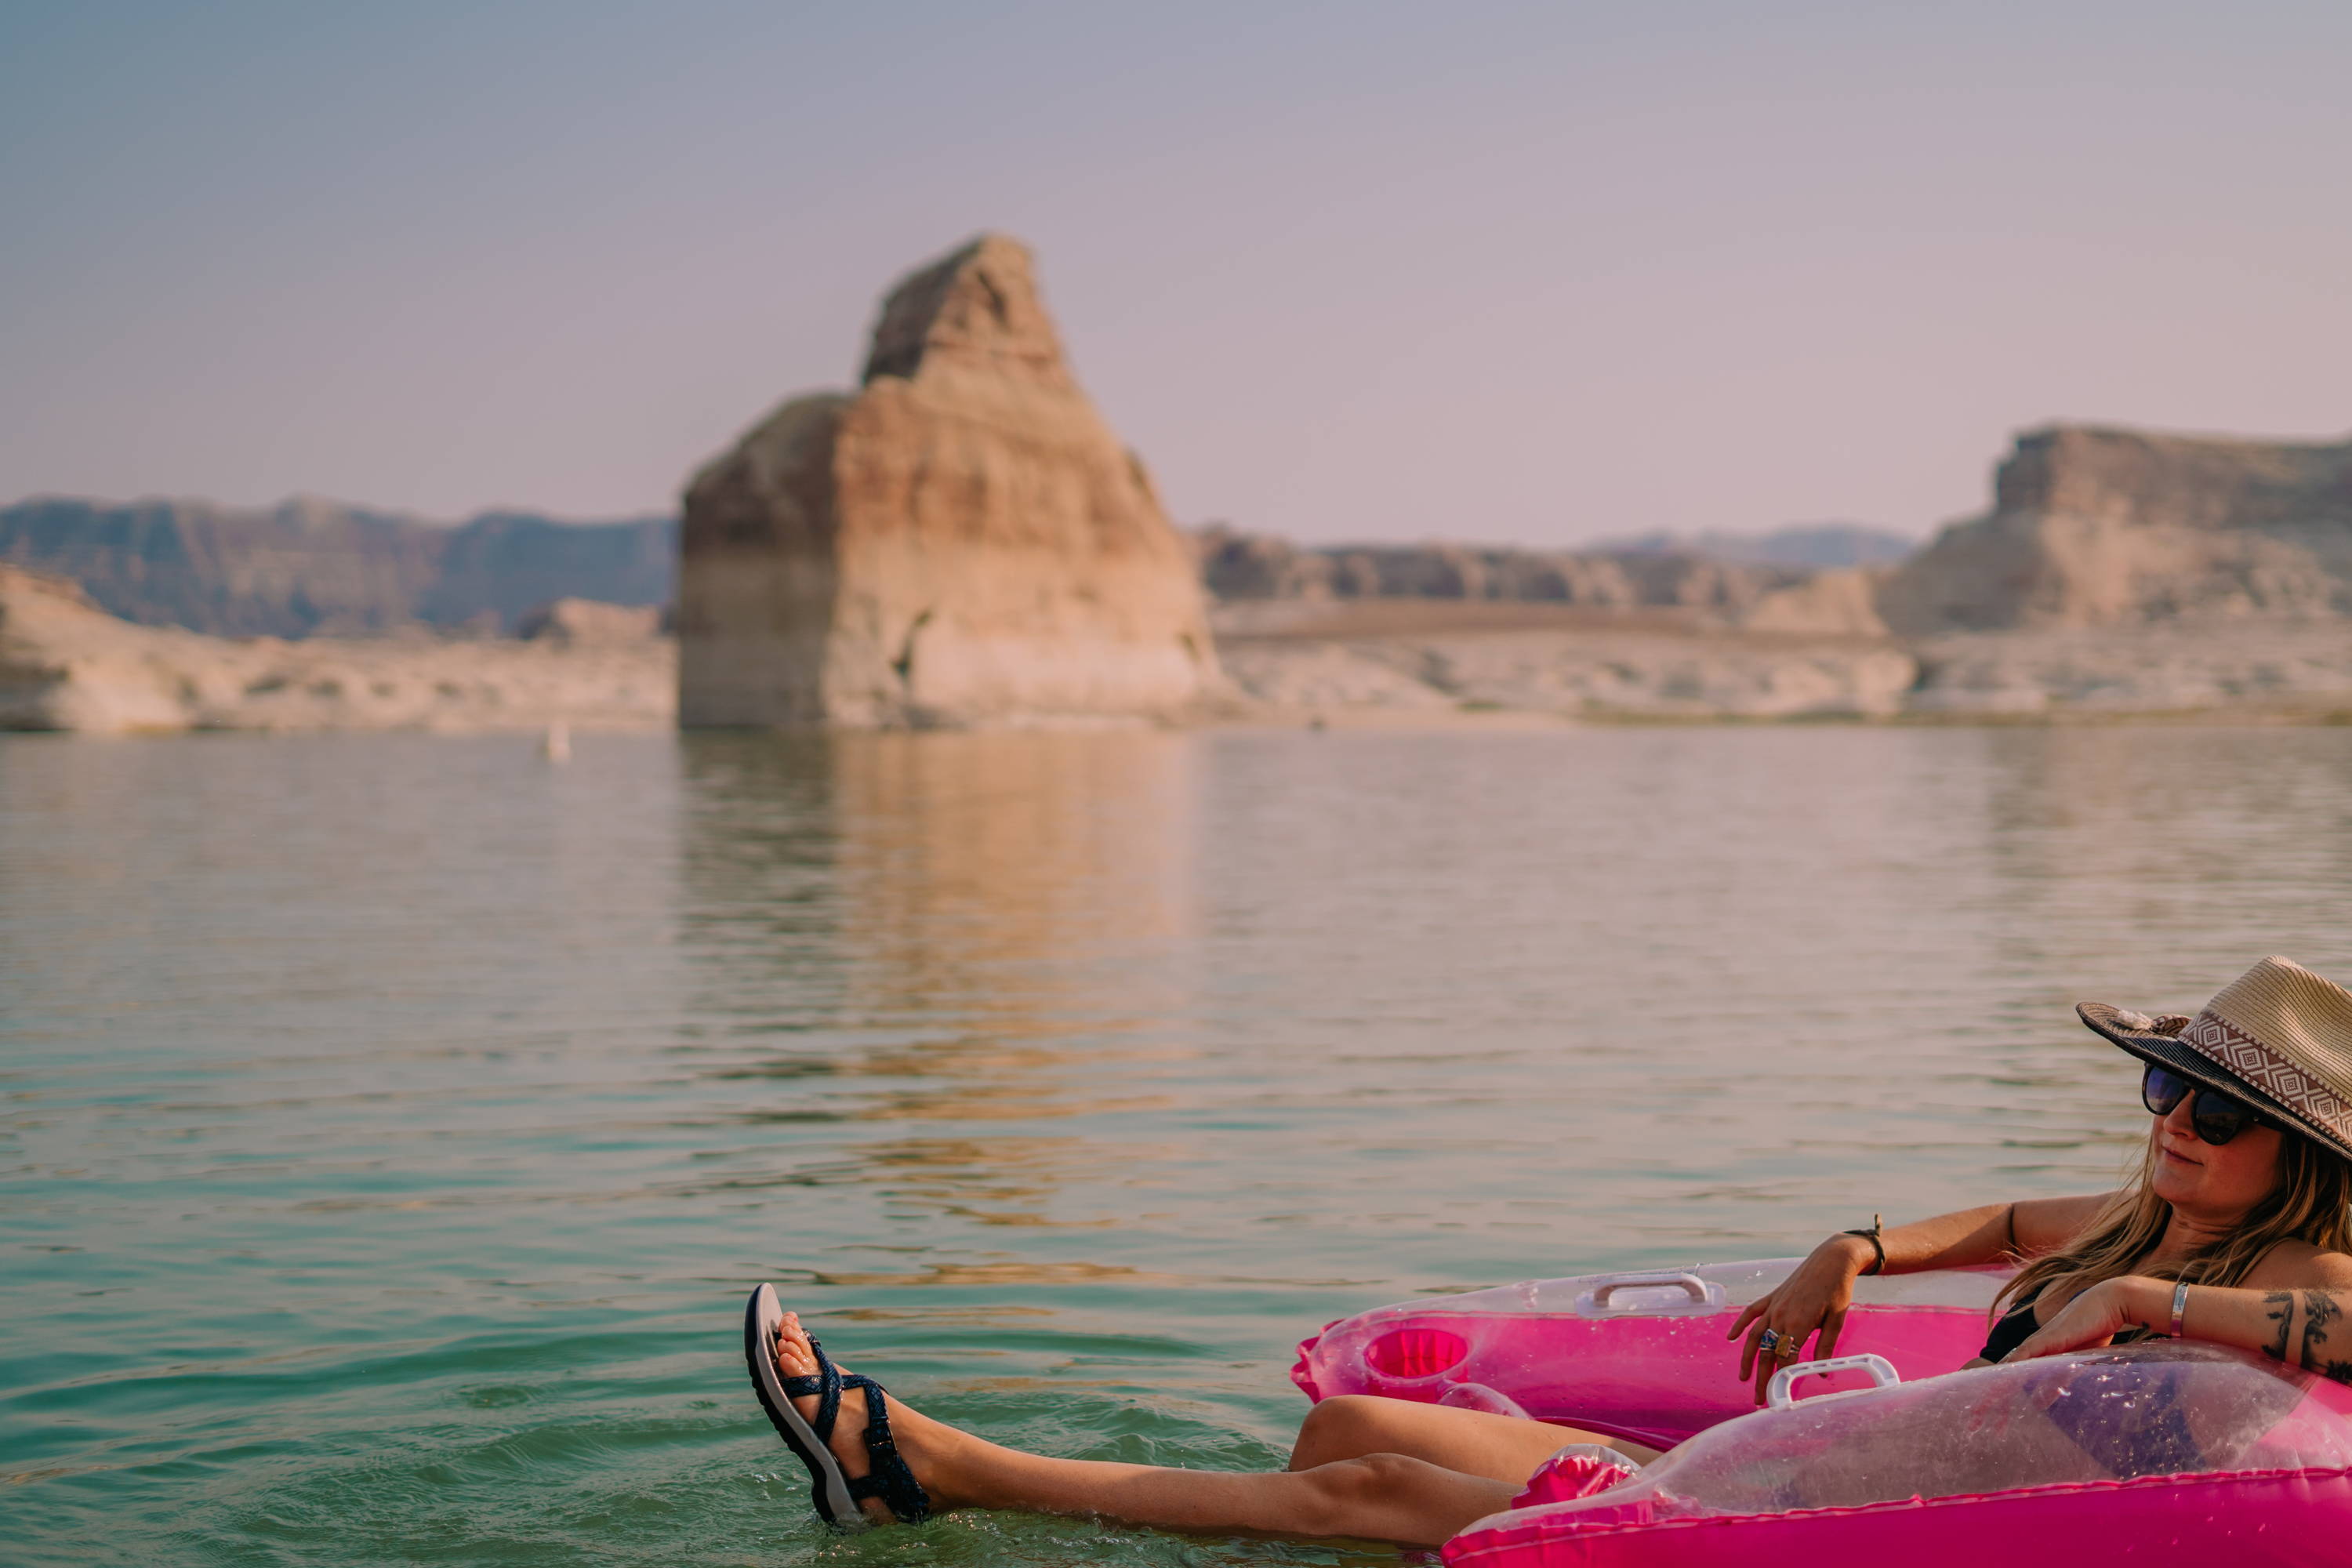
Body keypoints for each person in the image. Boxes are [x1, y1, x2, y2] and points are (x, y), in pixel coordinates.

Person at [742, 956, 2352, 1548]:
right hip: (1783, 1470)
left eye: (2216, 1110)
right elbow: (2004, 1225)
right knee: (1351, 1426)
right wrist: (1850, 1244)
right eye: (2165, 1083)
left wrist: (2149, 1303)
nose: (2173, 1124)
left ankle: (933, 1465)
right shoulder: (2140, 1215)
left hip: (1836, 1528)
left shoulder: (2297, 1281)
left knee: (1357, 1486)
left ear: (2303, 1160)